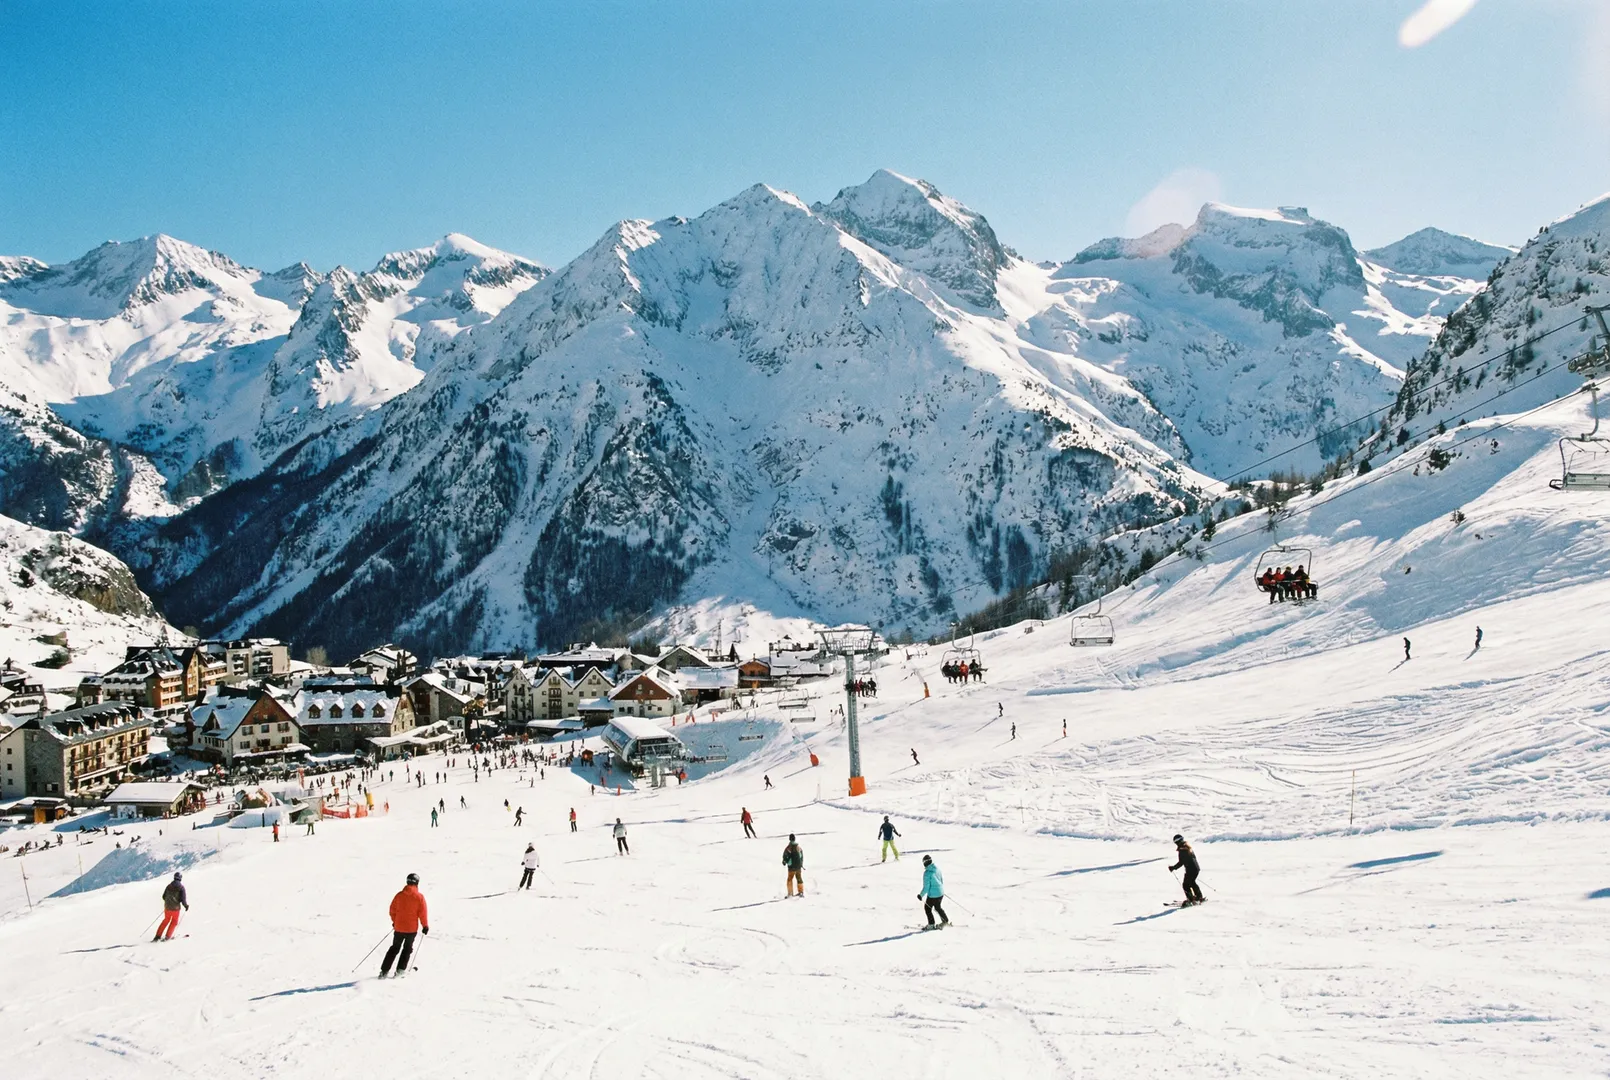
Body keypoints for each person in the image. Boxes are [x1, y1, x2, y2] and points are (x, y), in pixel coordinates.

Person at [380, 873, 429, 977]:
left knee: (394, 948)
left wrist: (395, 921)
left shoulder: (399, 895)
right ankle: (400, 971)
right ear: (417, 883)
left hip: (399, 928)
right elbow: (422, 913)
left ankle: (384, 971)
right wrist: (425, 926)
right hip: (411, 930)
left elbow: (392, 910)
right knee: (407, 949)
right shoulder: (419, 897)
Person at [1170, 834, 1204, 906]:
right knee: (1192, 882)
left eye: (1175, 842)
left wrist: (1173, 867)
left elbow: (1181, 862)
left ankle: (1191, 900)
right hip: (1196, 868)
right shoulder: (1187, 846)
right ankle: (1199, 897)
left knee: (1186, 885)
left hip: (1191, 870)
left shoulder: (1182, 849)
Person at [154, 872, 188, 941]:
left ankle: (157, 936)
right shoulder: (181, 887)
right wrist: (186, 906)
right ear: (180, 878)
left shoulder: (169, 886)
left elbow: (163, 896)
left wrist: (168, 902)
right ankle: (167, 937)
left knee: (166, 920)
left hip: (167, 907)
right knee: (174, 921)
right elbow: (183, 900)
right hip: (175, 909)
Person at [917, 855, 949, 929]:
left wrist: (921, 895)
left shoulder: (927, 873)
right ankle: (945, 920)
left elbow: (926, 887)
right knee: (938, 907)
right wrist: (940, 889)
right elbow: (941, 880)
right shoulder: (937, 869)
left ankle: (931, 924)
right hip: (940, 893)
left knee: (927, 908)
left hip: (933, 895)